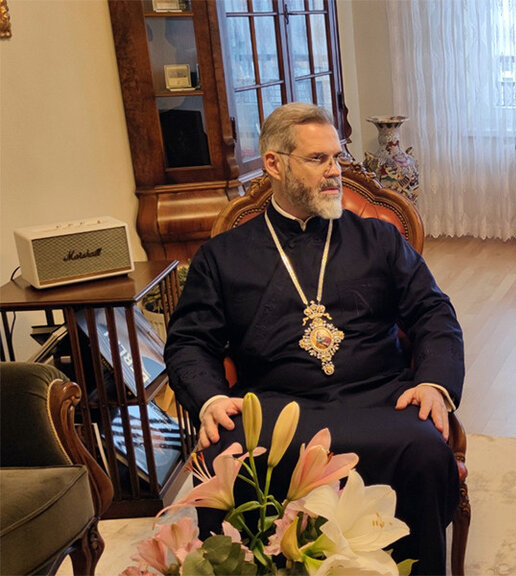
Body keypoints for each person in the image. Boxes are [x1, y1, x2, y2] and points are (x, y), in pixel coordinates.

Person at [164, 102, 464, 575]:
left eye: (336, 157)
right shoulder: (223, 256)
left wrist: (433, 382)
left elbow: (433, 311)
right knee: (227, 453)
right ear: (273, 164)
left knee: (424, 448)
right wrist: (210, 399)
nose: (334, 171)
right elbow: (189, 342)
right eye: (317, 159)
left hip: (379, 398)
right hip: (274, 408)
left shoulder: (379, 240)